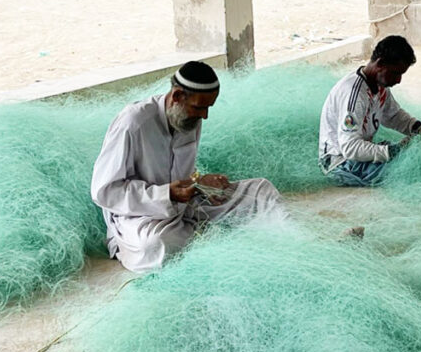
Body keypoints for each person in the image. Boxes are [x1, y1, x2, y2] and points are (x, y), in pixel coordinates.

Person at [91, 61, 284, 273]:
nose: (205, 116)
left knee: (261, 191)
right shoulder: (133, 123)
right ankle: (201, 233)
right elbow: (105, 191)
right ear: (177, 96)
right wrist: (166, 194)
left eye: (208, 108)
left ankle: (201, 233)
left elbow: (181, 172)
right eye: (200, 107)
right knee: (156, 246)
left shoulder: (188, 118)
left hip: (187, 204)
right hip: (141, 214)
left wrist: (199, 183)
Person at [319, 35, 421, 187]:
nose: (399, 80)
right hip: (340, 163)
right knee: (412, 170)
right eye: (395, 73)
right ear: (380, 63)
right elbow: (350, 148)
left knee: (416, 158)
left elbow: (393, 115)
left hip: (354, 156)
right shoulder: (354, 94)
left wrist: (418, 127)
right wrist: (395, 150)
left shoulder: (379, 85)